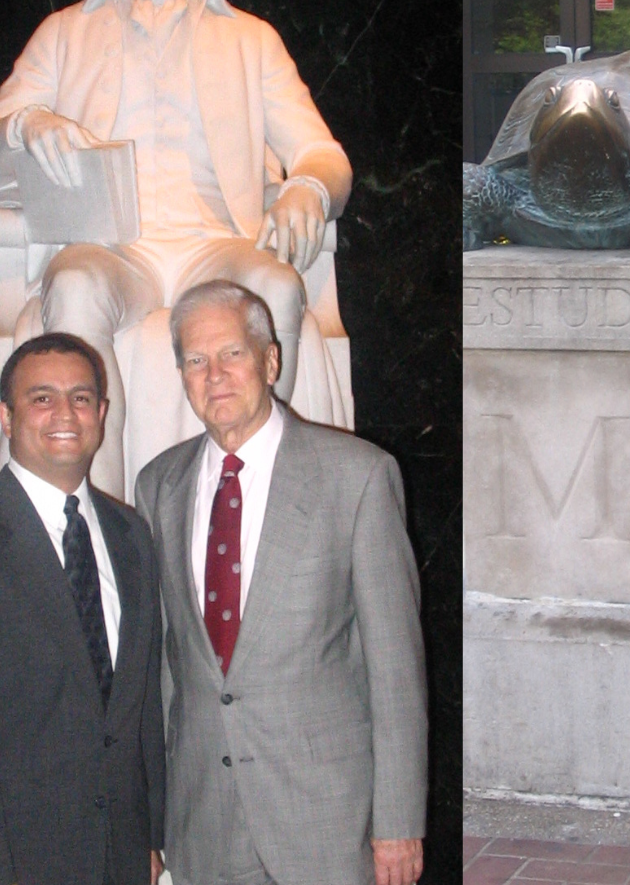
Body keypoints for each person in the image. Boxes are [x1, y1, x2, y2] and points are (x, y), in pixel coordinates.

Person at [0, 0, 352, 494]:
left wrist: (307, 184)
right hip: (112, 249)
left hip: (216, 245)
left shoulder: (251, 40)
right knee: (76, 284)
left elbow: (323, 153)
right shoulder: (63, 35)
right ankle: (97, 520)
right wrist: (23, 127)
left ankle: (259, 506)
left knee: (277, 289)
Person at [135, 280, 427, 885]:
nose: (214, 374)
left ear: (270, 361)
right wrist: (155, 822)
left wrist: (398, 823)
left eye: (232, 354)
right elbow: (165, 667)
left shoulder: (357, 478)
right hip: (202, 826)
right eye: (196, 360)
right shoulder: (157, 485)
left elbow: (395, 668)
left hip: (324, 823)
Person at [0, 332, 165, 885]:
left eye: (81, 397)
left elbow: (142, 714)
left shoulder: (130, 534)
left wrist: (152, 837)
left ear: (102, 412)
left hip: (123, 858)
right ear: (6, 416)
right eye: (41, 398)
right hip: (13, 864)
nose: (65, 412)